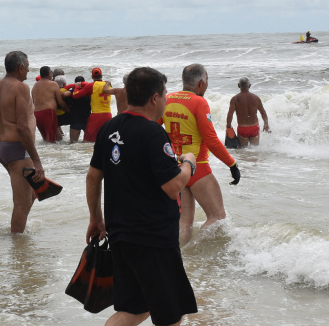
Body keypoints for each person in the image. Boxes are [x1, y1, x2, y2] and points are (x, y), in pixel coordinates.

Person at [86, 67, 198, 326]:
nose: (166, 99)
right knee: (170, 316)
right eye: (165, 94)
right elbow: (173, 186)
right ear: (154, 98)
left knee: (135, 309)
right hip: (152, 239)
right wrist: (188, 164)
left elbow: (93, 177)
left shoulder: (109, 128)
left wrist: (96, 218)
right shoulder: (153, 133)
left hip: (121, 236)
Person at [162, 64, 240, 245]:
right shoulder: (199, 102)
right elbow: (211, 139)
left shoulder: (167, 99)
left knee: (184, 222)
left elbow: (152, 127)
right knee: (217, 216)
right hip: (198, 168)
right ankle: (193, 252)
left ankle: (181, 256)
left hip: (176, 167)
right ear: (201, 83)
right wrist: (232, 164)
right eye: (207, 80)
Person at [0, 51, 47, 233]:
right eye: (28, 66)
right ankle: (17, 245)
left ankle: (18, 229)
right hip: (18, 149)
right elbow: (22, 127)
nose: (29, 70)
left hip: (1, 149)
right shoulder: (21, 87)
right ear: (20, 67)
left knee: (31, 193)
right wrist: (37, 161)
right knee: (22, 203)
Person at [72, 67, 114, 142]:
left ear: (92, 76)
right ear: (101, 76)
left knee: (87, 141)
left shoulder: (91, 85)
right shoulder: (108, 85)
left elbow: (75, 95)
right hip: (108, 115)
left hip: (96, 116)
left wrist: (77, 87)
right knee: (105, 140)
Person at [226, 77, 270, 147]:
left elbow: (230, 114)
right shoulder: (256, 98)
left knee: (243, 152)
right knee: (255, 151)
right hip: (254, 128)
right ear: (249, 85)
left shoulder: (234, 99)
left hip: (242, 128)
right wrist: (266, 124)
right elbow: (263, 112)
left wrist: (228, 126)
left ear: (238, 85)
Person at [32, 66, 68, 142]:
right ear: (49, 73)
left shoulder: (35, 85)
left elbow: (33, 102)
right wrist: (68, 108)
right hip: (48, 113)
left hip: (36, 114)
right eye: (51, 73)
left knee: (46, 139)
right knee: (53, 140)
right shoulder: (53, 84)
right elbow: (60, 101)